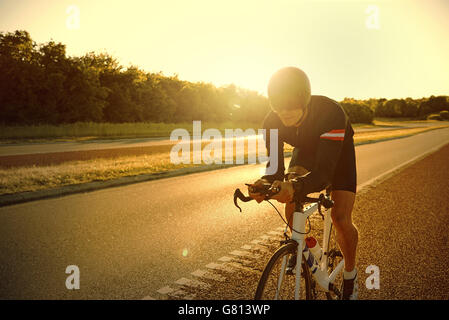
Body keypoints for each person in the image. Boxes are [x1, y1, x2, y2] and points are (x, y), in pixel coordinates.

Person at [249, 66, 359, 300]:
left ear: (305, 101)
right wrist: (264, 183)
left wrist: (296, 185)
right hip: (306, 151)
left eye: (291, 109)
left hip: (337, 155)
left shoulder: (331, 113)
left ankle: (351, 275)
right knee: (290, 189)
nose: (285, 115)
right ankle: (300, 245)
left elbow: (323, 173)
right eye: (279, 109)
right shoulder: (272, 122)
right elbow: (275, 169)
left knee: (340, 218)